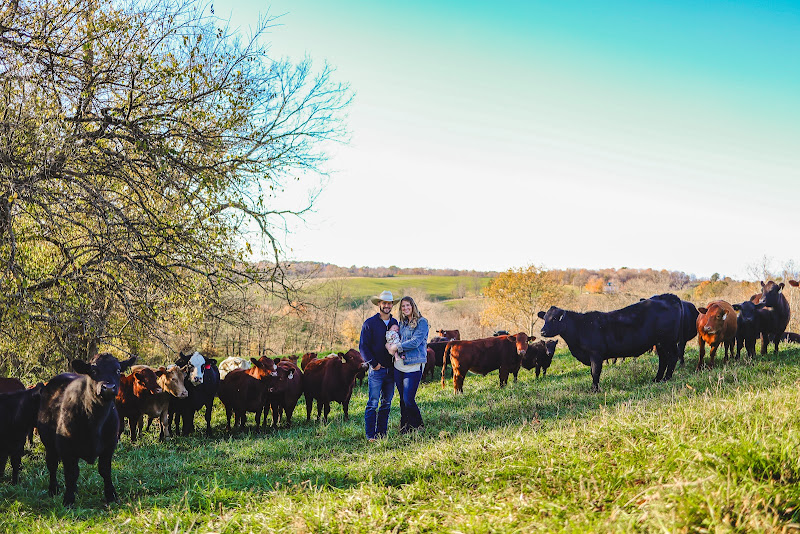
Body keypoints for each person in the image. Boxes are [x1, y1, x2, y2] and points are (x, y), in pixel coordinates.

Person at [359, 290, 400, 441]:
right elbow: (363, 346)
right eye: (384, 303)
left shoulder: (395, 323)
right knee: (373, 403)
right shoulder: (369, 323)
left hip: (392, 371)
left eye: (389, 303)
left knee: (386, 403)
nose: (387, 306)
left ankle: (382, 433)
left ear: (392, 305)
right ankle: (371, 435)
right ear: (379, 304)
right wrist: (374, 364)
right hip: (376, 371)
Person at [393, 296, 429, 434]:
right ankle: (405, 427)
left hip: (414, 364)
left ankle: (418, 425)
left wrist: (397, 347)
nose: (405, 308)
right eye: (403, 306)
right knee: (402, 399)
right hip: (399, 365)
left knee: (409, 399)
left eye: (408, 305)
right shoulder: (402, 323)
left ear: (413, 306)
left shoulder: (422, 322)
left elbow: (416, 342)